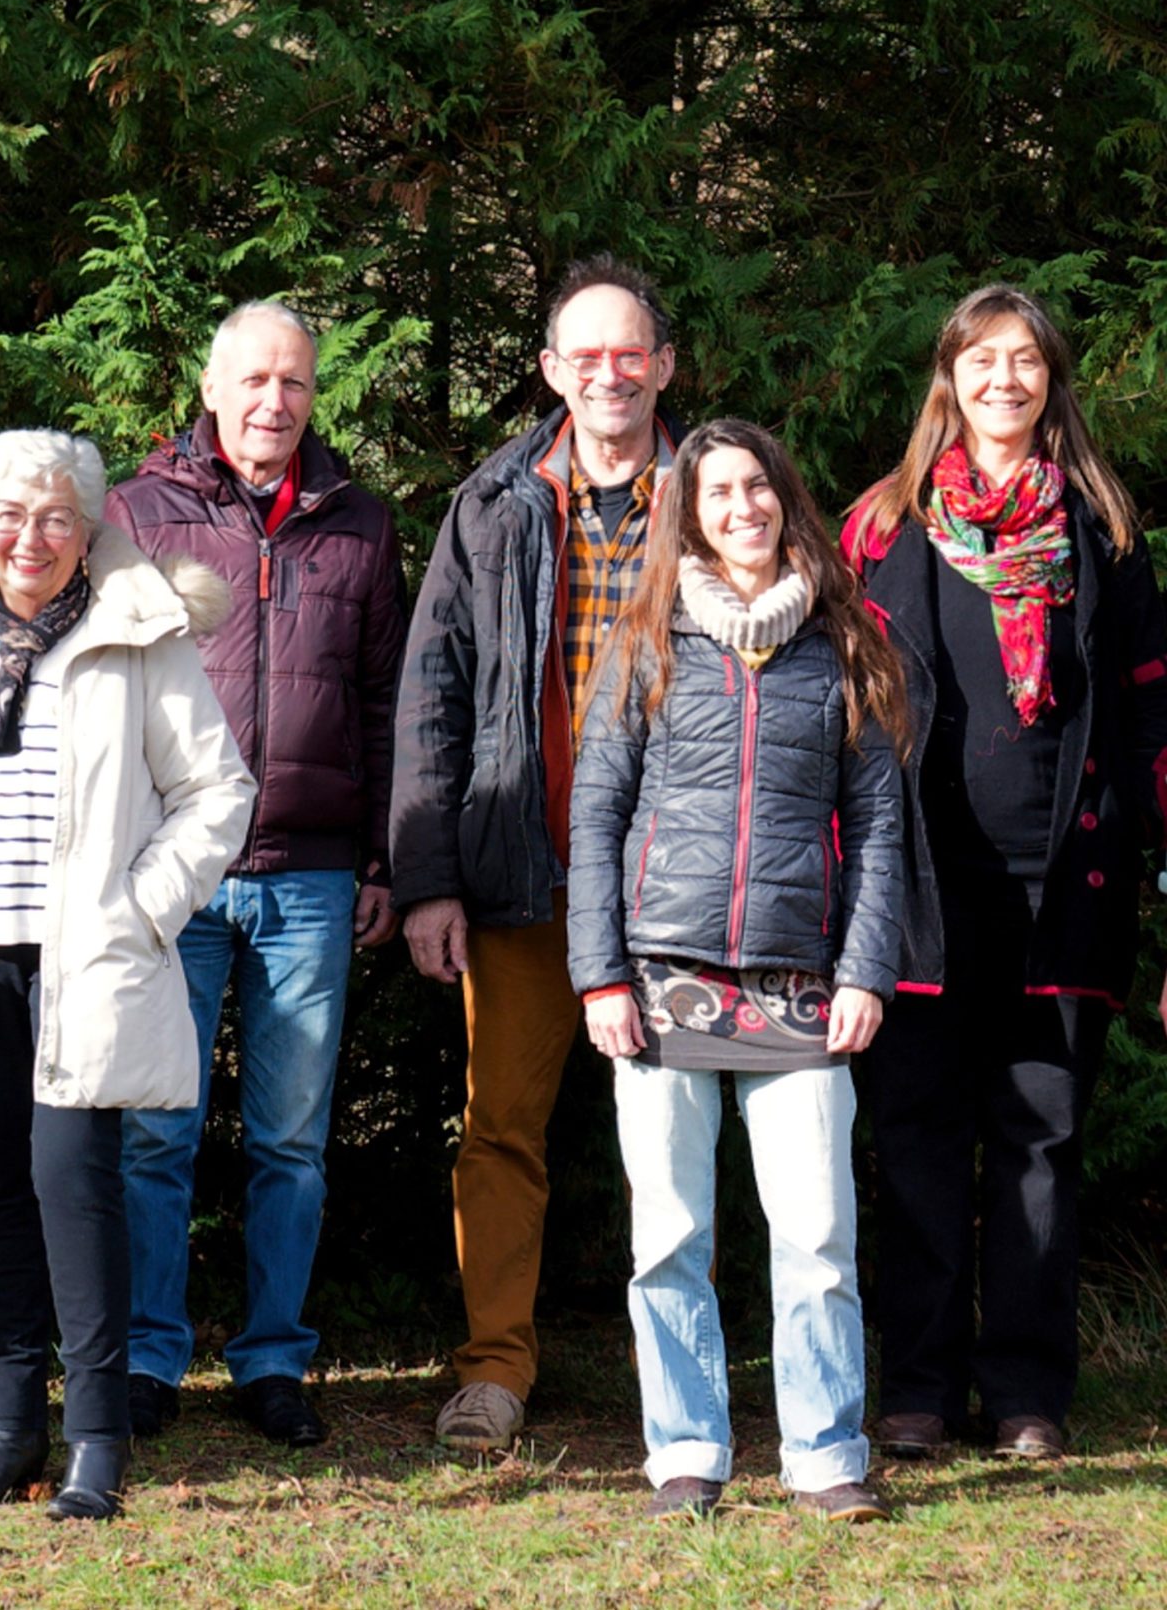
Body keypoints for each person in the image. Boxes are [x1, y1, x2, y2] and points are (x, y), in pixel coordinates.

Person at [0, 430, 255, 1520]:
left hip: (84, 968)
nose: (30, 538)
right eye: (10, 516)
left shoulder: (134, 637)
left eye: (56, 518)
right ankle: (9, 1426)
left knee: (75, 1191)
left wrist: (142, 907)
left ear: (88, 529)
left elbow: (217, 792)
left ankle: (96, 1437)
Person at [841, 286, 1167, 1462]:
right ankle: (919, 1391)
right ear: (949, 377)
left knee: (1038, 1147)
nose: (1004, 380)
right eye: (982, 360)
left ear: (1050, 380)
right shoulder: (882, 526)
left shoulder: (1101, 530)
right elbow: (834, 714)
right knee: (916, 1142)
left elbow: (1152, 718)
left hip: (1062, 887)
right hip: (920, 891)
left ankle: (1027, 1392)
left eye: (1025, 360)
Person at [571, 420, 910, 1523]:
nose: (741, 508)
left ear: (785, 498)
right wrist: (598, 975)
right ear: (690, 516)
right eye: (716, 492)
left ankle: (825, 1454)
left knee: (816, 1236)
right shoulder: (645, 639)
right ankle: (685, 1450)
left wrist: (865, 970)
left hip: (802, 982)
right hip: (659, 977)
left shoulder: (842, 642)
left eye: (757, 486)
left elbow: (879, 825)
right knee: (669, 1236)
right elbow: (595, 814)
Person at [104, 299, 408, 1448]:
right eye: (253, 379)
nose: (272, 401)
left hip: (311, 879)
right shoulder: (137, 513)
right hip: (172, 875)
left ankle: (274, 1357)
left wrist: (381, 858)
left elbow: (382, 703)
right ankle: (147, 1354)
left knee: (290, 1142)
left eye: (293, 382)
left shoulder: (358, 524)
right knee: (154, 1134)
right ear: (210, 387)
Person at [389, 254, 681, 1452]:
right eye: (586, 354)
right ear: (552, 369)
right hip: (523, 875)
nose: (610, 373)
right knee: (501, 1131)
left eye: (631, 352)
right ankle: (495, 1372)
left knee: (678, 1138)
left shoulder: (718, 494)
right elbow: (433, 693)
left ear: (664, 366)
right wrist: (427, 880)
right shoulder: (494, 502)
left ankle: (681, 1381)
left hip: (672, 883)